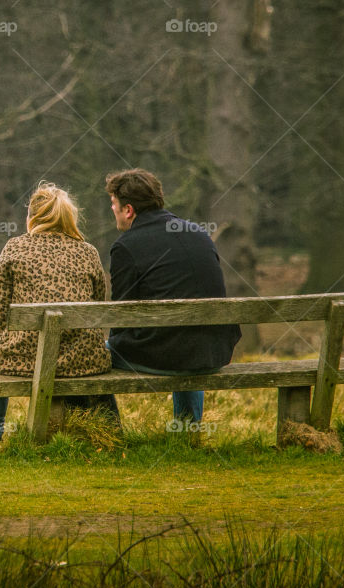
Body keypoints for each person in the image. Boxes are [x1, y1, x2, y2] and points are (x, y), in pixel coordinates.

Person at [0, 182, 111, 454]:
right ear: (68, 218)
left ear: (33, 218)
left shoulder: (14, 249)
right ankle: (100, 435)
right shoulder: (88, 252)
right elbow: (98, 309)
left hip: (25, 357)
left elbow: (0, 317)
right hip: (81, 358)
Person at [103, 168, 241, 428]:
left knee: (92, 356)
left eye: (114, 204)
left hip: (167, 355)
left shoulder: (126, 246)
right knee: (186, 338)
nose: (113, 210)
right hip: (213, 351)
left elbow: (121, 315)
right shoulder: (199, 234)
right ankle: (188, 430)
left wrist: (114, 342)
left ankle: (108, 431)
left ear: (129, 210)